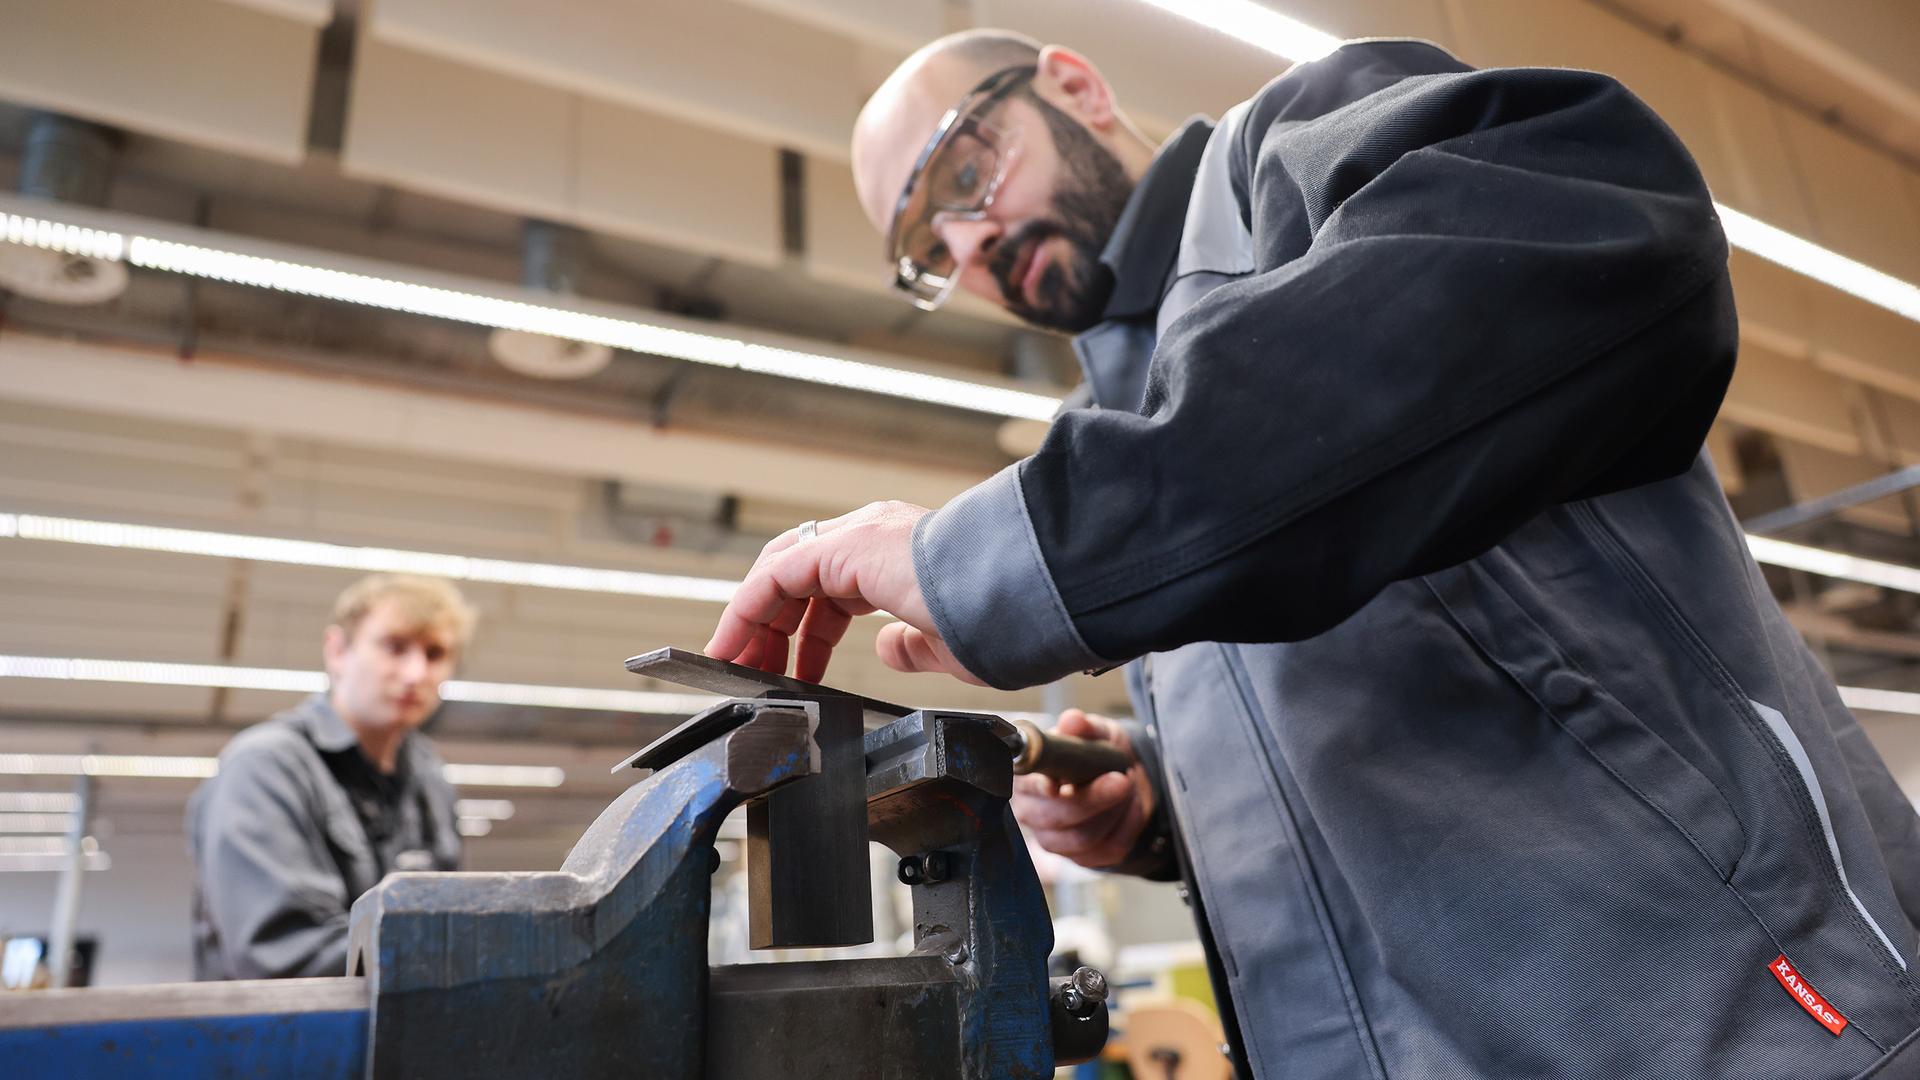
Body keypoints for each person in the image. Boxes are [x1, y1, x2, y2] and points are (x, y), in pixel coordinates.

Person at [704, 27, 1920, 1079]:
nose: (968, 246)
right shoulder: (1127, 460)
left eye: (963, 173)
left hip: (1738, 1033)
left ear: (1072, 86)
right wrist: (1163, 809)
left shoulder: (1292, 160)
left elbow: (1610, 226)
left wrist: (1001, 552)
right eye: (927, 251)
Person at [187, 573, 472, 980]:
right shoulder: (265, 767)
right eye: (395, 647)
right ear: (337, 651)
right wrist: (459, 952)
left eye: (434, 653)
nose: (415, 673)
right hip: (286, 1039)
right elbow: (285, 960)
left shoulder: (431, 780)